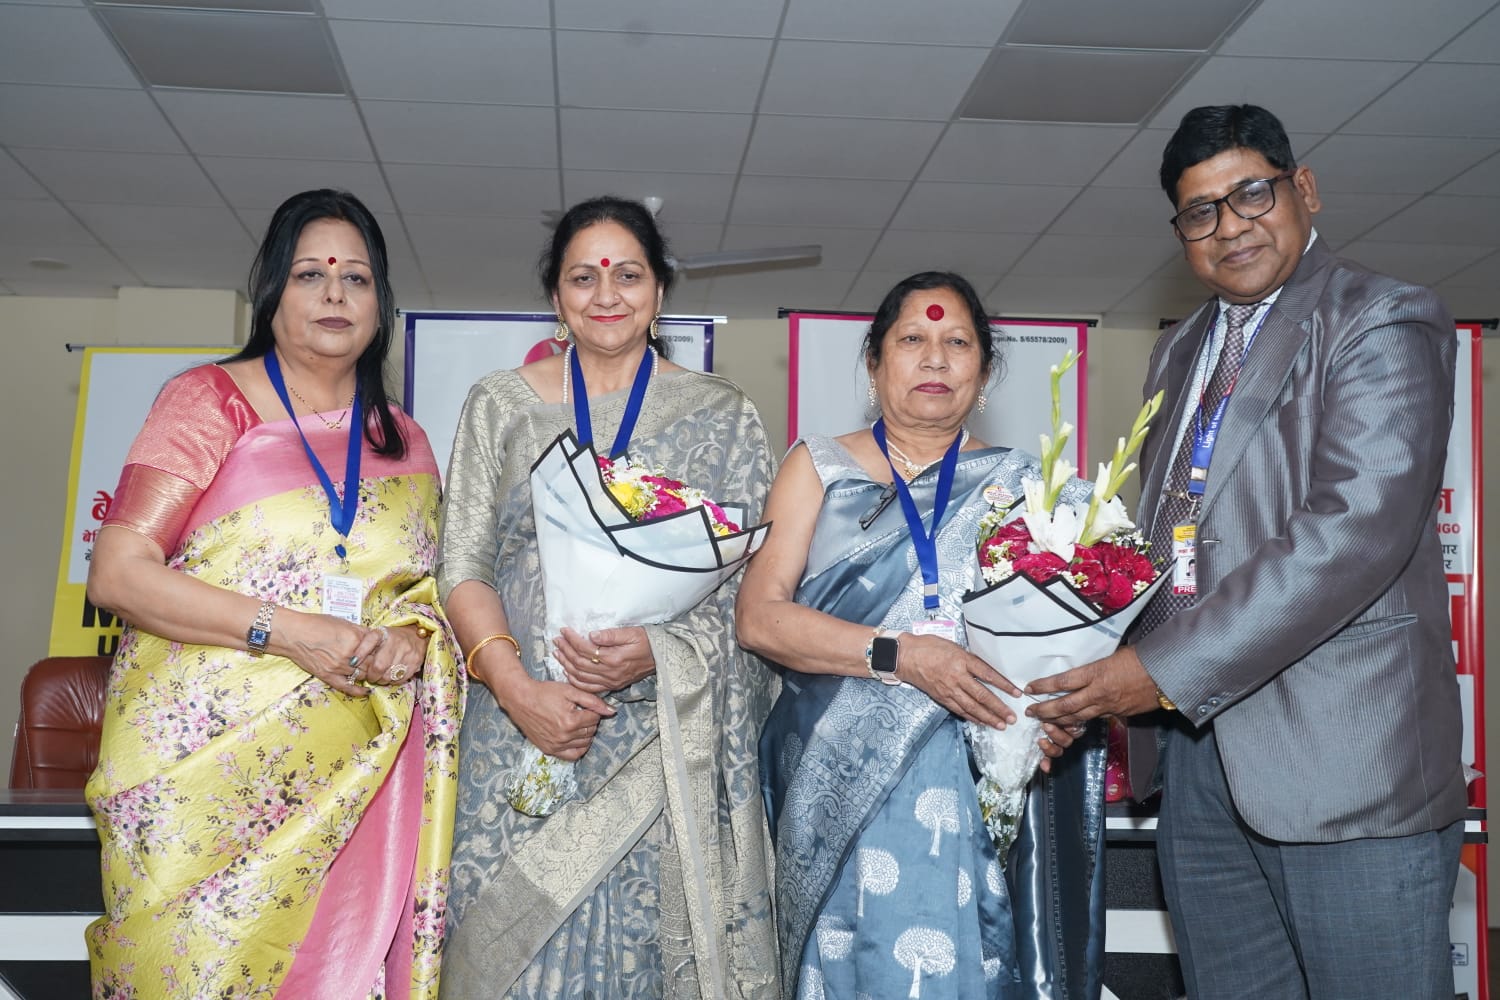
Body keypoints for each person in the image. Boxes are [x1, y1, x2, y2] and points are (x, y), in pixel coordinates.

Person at [1028, 104, 1467, 1000]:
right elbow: (1171, 536)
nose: (1230, 227)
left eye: (1251, 195)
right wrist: (1079, 660)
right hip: (1198, 761)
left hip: (1346, 767)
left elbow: (1352, 533)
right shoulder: (1180, 349)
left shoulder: (1381, 317)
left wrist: (1154, 671)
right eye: (1200, 211)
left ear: (1303, 189)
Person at [83, 189, 463, 998]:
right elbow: (118, 572)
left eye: (357, 278)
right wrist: (284, 629)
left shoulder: (406, 442)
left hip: (356, 770)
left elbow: (424, 596)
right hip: (204, 773)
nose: (335, 294)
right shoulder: (207, 401)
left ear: (381, 306)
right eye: (310, 274)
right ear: (273, 293)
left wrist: (411, 641)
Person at [437, 196, 779, 999]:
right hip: (516, 729)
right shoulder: (501, 404)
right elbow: (462, 565)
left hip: (661, 743)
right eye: (582, 277)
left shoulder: (724, 415)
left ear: (659, 292)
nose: (606, 294)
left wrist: (660, 652)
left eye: (628, 275)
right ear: (556, 298)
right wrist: (517, 689)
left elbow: (754, 595)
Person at [738, 271, 1103, 1000]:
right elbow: (758, 617)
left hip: (970, 781)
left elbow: (1055, 645)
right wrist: (901, 655)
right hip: (833, 776)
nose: (935, 358)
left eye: (957, 342)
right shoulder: (818, 467)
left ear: (984, 372)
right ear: (875, 364)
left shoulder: (1026, 489)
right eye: (912, 339)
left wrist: (1052, 713)